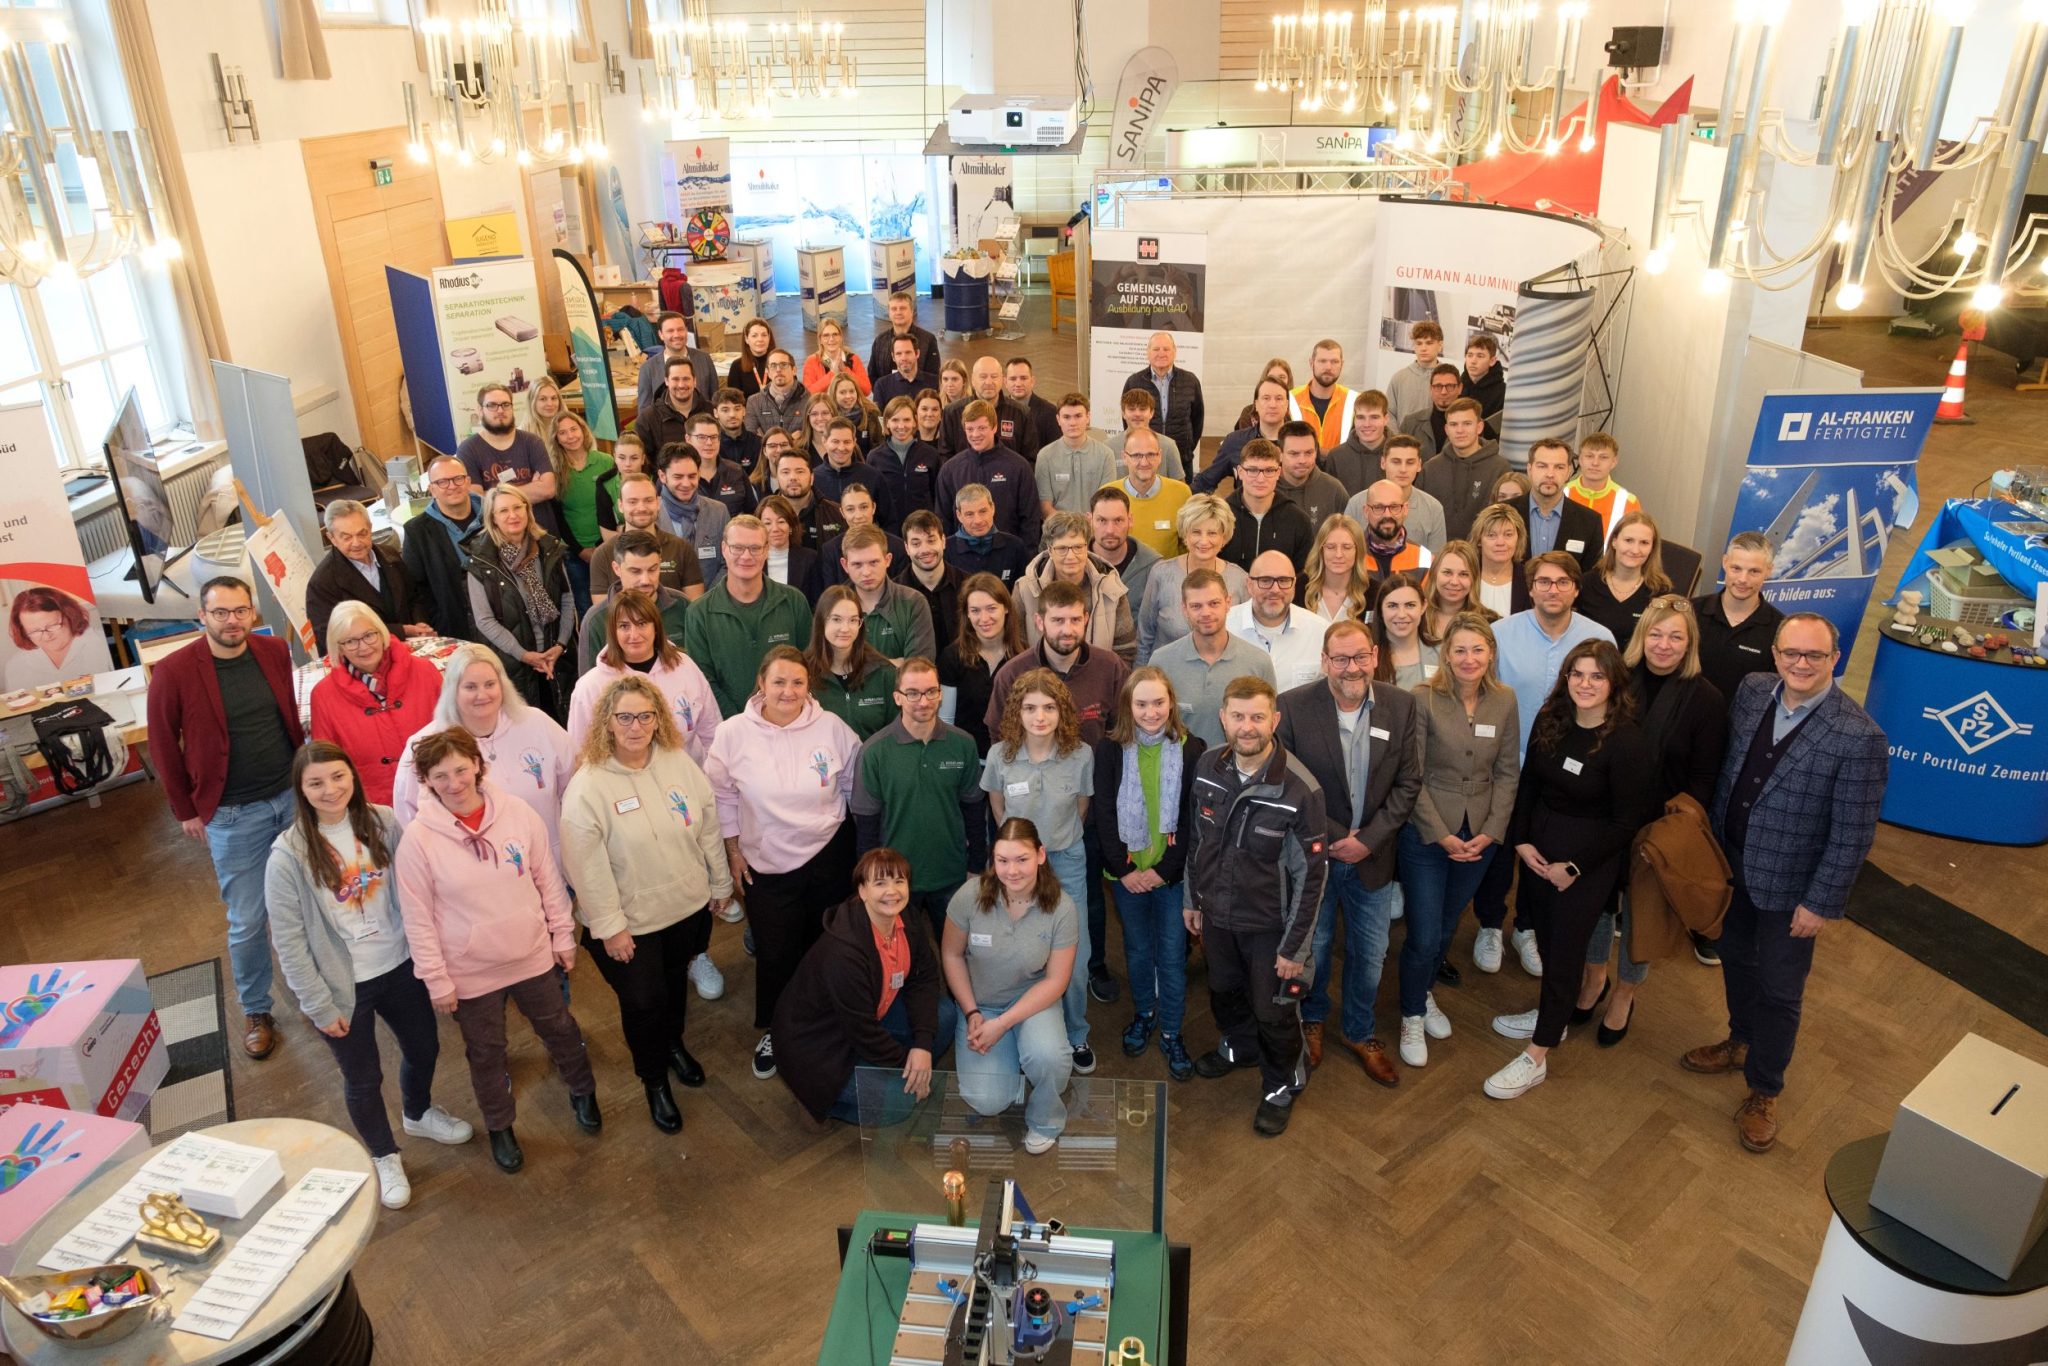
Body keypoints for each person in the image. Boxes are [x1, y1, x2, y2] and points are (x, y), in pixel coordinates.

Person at [1682, 614, 1887, 1153]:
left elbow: (1853, 835)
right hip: (1731, 867)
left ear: (1834, 659)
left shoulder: (1859, 736)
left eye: (1814, 655)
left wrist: (1820, 903)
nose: (1801, 664)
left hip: (1792, 890)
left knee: (1779, 990)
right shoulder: (1752, 692)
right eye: (1791, 652)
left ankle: (1764, 1089)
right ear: (1774, 654)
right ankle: (1740, 1040)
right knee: (1735, 959)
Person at [265, 743, 473, 1209]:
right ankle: (383, 1153)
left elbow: (417, 891)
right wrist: (318, 1006)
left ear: (353, 777)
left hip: (399, 966)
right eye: (316, 783)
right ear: (301, 790)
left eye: (338, 776)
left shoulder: (383, 822)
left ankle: (417, 1112)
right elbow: (289, 941)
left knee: (424, 1047)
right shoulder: (287, 856)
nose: (330, 789)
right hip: (343, 986)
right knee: (362, 1077)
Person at [393, 728, 598, 1174]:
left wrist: (563, 935)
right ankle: (500, 1126)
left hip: (531, 953)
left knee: (560, 1028)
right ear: (425, 781)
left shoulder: (518, 814)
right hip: (469, 971)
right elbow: (418, 918)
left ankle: (583, 1091)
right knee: (486, 1052)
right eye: (440, 776)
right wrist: (436, 979)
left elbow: (548, 880)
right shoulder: (418, 841)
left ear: (477, 765)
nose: (454, 783)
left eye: (460, 770)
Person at [1477, 639, 1655, 1100]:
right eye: (1578, 674)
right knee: (1546, 940)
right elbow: (1530, 785)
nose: (1585, 684)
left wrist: (1573, 868)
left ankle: (1538, 1054)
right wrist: (1522, 841)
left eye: (1597, 676)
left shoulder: (1627, 741)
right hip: (1538, 852)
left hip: (1586, 864)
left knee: (1564, 955)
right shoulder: (1551, 719)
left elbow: (1625, 823)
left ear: (1614, 683)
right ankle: (1550, 1019)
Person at [560, 675, 732, 1133]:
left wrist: (720, 881)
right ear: (607, 723)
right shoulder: (588, 787)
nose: (635, 726)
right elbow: (586, 868)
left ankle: (673, 1044)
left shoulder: (678, 762)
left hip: (686, 907)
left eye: (645, 716)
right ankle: (654, 1080)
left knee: (673, 986)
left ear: (658, 720)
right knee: (643, 1002)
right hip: (630, 925)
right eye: (624, 717)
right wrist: (609, 927)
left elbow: (708, 823)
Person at [147, 577, 304, 1059]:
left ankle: (316, 989)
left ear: (252, 613)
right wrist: (186, 810)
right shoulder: (174, 671)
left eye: (240, 611)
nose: (232, 621)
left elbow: (287, 717)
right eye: (221, 612)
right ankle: (256, 1009)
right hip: (233, 814)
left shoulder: (274, 651)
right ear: (202, 616)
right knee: (248, 918)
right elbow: (162, 745)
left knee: (308, 901)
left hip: (290, 798)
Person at [705, 646, 860, 1080]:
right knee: (776, 953)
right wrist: (733, 851)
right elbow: (721, 795)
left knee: (824, 947)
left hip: (829, 855)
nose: (788, 691)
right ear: (761, 683)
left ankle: (822, 1021)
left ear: (809, 686)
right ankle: (779, 1029)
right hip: (766, 861)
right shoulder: (733, 733)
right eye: (778, 681)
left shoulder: (833, 728)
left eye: (797, 682)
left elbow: (853, 786)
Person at [1278, 620, 1422, 1085]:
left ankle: (1359, 1031)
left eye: (1360, 656)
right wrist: (1340, 837)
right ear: (1324, 661)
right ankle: (1313, 1018)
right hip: (1315, 857)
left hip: (1373, 857)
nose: (1351, 667)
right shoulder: (1292, 708)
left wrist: (1368, 840)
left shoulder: (1401, 706)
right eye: (1340, 658)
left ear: (1375, 656)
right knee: (1315, 948)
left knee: (1372, 952)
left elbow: (1409, 783)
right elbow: (1290, 786)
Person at [1184, 675, 1328, 1137]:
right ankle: (1241, 1046)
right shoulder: (1208, 765)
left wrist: (1295, 948)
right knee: (1223, 992)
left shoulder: (1300, 789)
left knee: (1274, 1012)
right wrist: (1193, 899)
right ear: (1223, 718)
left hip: (1270, 926)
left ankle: (1281, 1084)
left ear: (1275, 720)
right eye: (1238, 716)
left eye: (1257, 717)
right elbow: (1198, 840)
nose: (1247, 727)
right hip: (1217, 916)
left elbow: (1312, 877)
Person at [1580, 597, 1731, 1039]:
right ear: (1642, 636)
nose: (1664, 645)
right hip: (1606, 815)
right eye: (1656, 634)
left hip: (1658, 828)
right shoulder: (1617, 681)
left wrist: (1673, 830)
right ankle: (1594, 978)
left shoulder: (1706, 699)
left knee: (1642, 914)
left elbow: (1704, 778)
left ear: (1690, 643)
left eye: (1675, 637)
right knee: (1597, 903)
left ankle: (1625, 993)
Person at [1472, 552, 1617, 980]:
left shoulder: (1599, 637)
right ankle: (1490, 925)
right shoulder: (1501, 633)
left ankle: (1527, 928)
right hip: (1507, 763)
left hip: (1567, 772)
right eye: (1543, 582)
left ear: (1576, 588)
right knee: (1500, 851)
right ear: (1530, 588)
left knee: (1545, 851)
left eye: (1562, 582)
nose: (1552, 590)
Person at [1396, 614, 1519, 1069]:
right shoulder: (1422, 698)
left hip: (1481, 836)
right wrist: (1442, 835)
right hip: (1428, 835)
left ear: (1491, 653)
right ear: (1446, 654)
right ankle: (1411, 1013)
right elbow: (1411, 774)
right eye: (1460, 649)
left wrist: (1491, 832)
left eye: (1478, 649)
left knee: (1448, 926)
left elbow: (1508, 772)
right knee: (1425, 933)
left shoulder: (1504, 700)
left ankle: (1424, 992)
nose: (1469, 659)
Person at [772, 848, 951, 1124]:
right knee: (899, 1103)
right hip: (821, 1044)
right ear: (862, 891)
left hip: (873, 1013)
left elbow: (924, 977)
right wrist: (910, 1063)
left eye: (899, 881)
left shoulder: (908, 917)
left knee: (946, 1015)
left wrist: (923, 1048)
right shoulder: (844, 953)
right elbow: (862, 1031)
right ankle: (818, 1102)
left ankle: (904, 1076)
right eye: (880, 883)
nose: (892, 891)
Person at [980, 669, 1098, 1066]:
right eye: (1030, 708)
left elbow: (1081, 808)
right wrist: (1017, 856)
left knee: (1075, 959)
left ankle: (1076, 1032)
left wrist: (1053, 844)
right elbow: (998, 808)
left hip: (1066, 860)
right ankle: (1022, 1024)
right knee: (1020, 948)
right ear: (1017, 711)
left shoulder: (1081, 755)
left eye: (1049, 707)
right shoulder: (1000, 756)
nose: (1040, 717)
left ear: (1062, 711)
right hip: (1017, 866)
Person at [942, 818, 1079, 1151]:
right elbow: (951, 955)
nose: (1012, 871)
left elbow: (1057, 980)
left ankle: (1046, 1116)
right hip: (980, 1006)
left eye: (1022, 859)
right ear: (993, 859)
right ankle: (1013, 1065)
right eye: (1003, 860)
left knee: (1049, 1058)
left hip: (1033, 1003)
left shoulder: (1062, 907)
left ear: (1041, 855)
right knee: (988, 1100)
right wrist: (972, 1012)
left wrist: (1003, 1024)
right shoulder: (969, 896)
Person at [1094, 668, 1204, 1080]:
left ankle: (1172, 1031)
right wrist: (1125, 870)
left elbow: (1193, 820)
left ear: (1171, 703)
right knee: (1138, 951)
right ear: (1128, 706)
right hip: (1126, 876)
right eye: (1141, 704)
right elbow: (1103, 814)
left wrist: (1163, 870)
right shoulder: (1110, 750)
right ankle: (1144, 1013)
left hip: (1171, 876)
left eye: (1159, 702)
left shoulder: (1193, 749)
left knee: (1172, 957)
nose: (1151, 711)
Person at [391, 644, 575, 864]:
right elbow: (408, 820)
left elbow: (575, 785)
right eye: (470, 687)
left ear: (503, 685)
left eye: (490, 684)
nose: (482, 695)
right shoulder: (425, 745)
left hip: (551, 862)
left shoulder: (537, 722)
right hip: (473, 874)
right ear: (452, 690)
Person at [851, 656, 989, 939]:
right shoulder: (874, 752)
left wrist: (976, 867)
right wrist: (872, 881)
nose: (923, 701)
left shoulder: (963, 744)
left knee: (957, 953)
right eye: (912, 693)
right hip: (895, 882)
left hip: (952, 875)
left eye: (930, 692)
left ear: (940, 694)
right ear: (897, 697)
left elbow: (975, 811)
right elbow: (866, 827)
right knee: (900, 957)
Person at [310, 602, 443, 806]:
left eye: (369, 635)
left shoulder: (425, 672)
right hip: (374, 808)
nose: (364, 647)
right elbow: (326, 766)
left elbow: (454, 733)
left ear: (382, 633)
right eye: (351, 641)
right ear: (339, 648)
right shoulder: (323, 696)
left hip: (438, 794)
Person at [566, 589, 721, 760]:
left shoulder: (685, 667)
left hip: (686, 773)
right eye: (624, 626)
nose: (634, 635)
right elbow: (580, 754)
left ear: (656, 627)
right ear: (613, 632)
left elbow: (712, 733)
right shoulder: (590, 687)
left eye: (642, 624)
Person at [463, 485, 574, 720]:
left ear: (527, 510)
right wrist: (523, 655)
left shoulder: (548, 547)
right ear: (492, 518)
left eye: (517, 507)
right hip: (513, 664)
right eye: (503, 511)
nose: (512, 515)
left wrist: (560, 645)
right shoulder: (481, 561)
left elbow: (566, 599)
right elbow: (484, 620)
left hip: (557, 657)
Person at [683, 516, 814, 717]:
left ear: (766, 550)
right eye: (737, 548)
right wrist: (742, 724)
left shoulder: (794, 602)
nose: (746, 556)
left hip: (788, 721)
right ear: (724, 549)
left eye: (755, 548)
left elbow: (809, 665)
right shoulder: (698, 613)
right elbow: (703, 680)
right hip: (728, 725)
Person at [984, 579, 1130, 745]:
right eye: (1058, 620)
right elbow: (999, 735)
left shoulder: (1111, 667)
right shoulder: (1012, 674)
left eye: (1075, 620)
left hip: (1094, 762)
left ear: (1086, 619)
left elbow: (1122, 730)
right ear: (1040, 622)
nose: (1067, 630)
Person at [1149, 569, 1276, 748]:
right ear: (1184, 609)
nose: (1206, 613)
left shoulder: (1258, 662)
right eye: (1196, 606)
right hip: (1179, 764)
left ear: (1228, 603)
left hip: (1238, 764)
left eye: (1214, 603)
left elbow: (1268, 728)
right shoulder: (1162, 662)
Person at [1011, 512, 1136, 665]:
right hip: (1039, 678)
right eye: (1062, 548)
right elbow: (1016, 647)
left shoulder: (1111, 588)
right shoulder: (1025, 590)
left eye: (1077, 547)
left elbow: (1125, 650)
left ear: (1087, 547)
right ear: (1050, 550)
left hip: (1098, 677)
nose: (1071, 556)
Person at [305, 500, 428, 654]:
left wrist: (420, 623)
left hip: (411, 651)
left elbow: (414, 597)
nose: (356, 543)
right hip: (363, 660)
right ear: (332, 538)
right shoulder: (322, 583)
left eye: (362, 534)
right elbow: (331, 637)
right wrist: (402, 631)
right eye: (347, 537)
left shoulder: (390, 555)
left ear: (370, 528)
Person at [1135, 494, 1246, 664]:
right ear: (1185, 534)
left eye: (1212, 533)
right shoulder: (1161, 573)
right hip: (1166, 674)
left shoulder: (1239, 579)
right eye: (1196, 532)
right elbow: (1144, 637)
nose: (1204, 541)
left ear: (1224, 537)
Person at [578, 529, 691, 675]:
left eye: (652, 569)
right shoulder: (596, 620)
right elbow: (589, 682)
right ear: (617, 569)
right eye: (635, 571)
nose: (645, 580)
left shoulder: (682, 606)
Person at [458, 382, 563, 537]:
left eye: (505, 404)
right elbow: (476, 501)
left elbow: (548, 489)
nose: (500, 410)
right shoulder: (468, 449)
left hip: (541, 534)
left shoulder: (532, 442)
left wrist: (493, 496)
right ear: (480, 410)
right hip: (498, 539)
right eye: (492, 405)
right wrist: (533, 487)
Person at [1692, 531, 1784, 702]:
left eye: (1754, 571)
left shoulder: (1780, 629)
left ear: (1769, 571)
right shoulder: (1690, 612)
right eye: (1736, 568)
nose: (1743, 579)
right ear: (1725, 562)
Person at [940, 573, 1022, 757]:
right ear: (967, 614)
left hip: (1013, 760)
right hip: (968, 760)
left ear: (1006, 608)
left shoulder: (1023, 659)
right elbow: (946, 721)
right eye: (975, 610)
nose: (984, 618)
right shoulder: (951, 657)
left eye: (991, 608)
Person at [402, 457, 484, 642]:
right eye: (442, 482)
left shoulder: (494, 515)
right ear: (432, 490)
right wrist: (433, 624)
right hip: (455, 628)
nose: (452, 486)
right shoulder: (416, 531)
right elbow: (414, 589)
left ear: (468, 481)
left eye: (458, 478)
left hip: (504, 622)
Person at [935, 401, 1039, 545]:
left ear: (994, 427)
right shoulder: (950, 470)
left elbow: (1030, 518)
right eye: (970, 429)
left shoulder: (1019, 467)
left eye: (982, 428)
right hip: (962, 553)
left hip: (1007, 552)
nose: (975, 434)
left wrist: (1026, 554)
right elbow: (943, 519)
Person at [588, 473, 703, 604]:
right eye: (633, 501)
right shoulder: (603, 554)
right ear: (620, 505)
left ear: (658, 502)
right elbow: (603, 611)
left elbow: (694, 606)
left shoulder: (681, 548)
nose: (641, 508)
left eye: (648, 500)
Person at [805, 584, 901, 739]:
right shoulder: (803, 673)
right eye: (836, 619)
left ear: (860, 624)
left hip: (872, 755)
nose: (845, 628)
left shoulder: (883, 673)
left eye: (853, 620)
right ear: (821, 621)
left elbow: (897, 732)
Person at [546, 410, 615, 617]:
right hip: (575, 553)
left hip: (608, 546)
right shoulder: (555, 471)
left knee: (616, 603)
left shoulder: (606, 461)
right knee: (587, 609)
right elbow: (558, 517)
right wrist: (580, 550)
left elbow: (614, 506)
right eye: (563, 433)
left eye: (573, 429)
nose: (570, 436)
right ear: (556, 439)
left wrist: (602, 545)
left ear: (583, 430)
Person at [1226, 549, 1324, 691]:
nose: (1275, 589)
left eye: (1283, 581)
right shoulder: (1225, 626)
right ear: (1249, 585)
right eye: (1265, 581)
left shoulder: (1320, 632)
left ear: (1294, 585)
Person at [1415, 398, 1508, 540]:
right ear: (1446, 429)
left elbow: (1507, 518)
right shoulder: (1430, 469)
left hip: (1484, 550)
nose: (1460, 430)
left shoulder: (1500, 468)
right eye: (1453, 424)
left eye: (1467, 423)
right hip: (1439, 550)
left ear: (1479, 427)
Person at [1220, 440, 1315, 579]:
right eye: (1252, 470)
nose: (1260, 479)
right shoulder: (1220, 517)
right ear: (1240, 472)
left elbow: (1303, 577)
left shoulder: (1298, 521)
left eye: (1269, 470)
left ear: (1278, 473)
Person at [1577, 511, 1671, 644]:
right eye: (1628, 540)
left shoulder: (1661, 592)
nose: (1635, 550)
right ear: (1614, 541)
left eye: (1644, 543)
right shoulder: (1585, 584)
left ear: (1652, 548)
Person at [1515, 439, 1604, 573]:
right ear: (1529, 470)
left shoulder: (1590, 522)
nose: (1550, 474)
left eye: (1559, 467)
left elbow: (1591, 577)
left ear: (1569, 472)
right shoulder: (1506, 512)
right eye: (1542, 466)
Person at [654, 433, 732, 584]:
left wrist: (709, 597)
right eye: (678, 477)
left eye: (691, 476)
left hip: (711, 595)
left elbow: (728, 562)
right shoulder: (651, 515)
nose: (686, 484)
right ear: (662, 476)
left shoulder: (719, 512)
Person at [1350, 435, 1446, 557]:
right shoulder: (1356, 504)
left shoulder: (1433, 508)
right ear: (1383, 463)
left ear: (1419, 465)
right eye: (1396, 462)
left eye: (1410, 462)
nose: (1403, 469)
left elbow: (1436, 562)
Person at [1109, 428, 1191, 561]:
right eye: (1136, 455)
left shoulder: (1182, 493)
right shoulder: (1108, 495)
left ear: (1160, 456)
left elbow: (1188, 545)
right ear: (1124, 457)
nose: (1144, 462)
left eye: (1151, 455)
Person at [1198, 375, 1289, 495]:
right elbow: (1206, 481)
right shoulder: (1235, 441)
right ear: (1256, 404)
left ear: (1287, 404)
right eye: (1266, 398)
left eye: (1279, 398)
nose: (1272, 404)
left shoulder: (1300, 443)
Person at [1124, 331, 1205, 458]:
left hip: (1181, 457)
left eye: (1166, 349)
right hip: (1145, 457)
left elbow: (1198, 419)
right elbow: (1128, 420)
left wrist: (1188, 447)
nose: (1161, 353)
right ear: (1148, 352)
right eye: (1156, 349)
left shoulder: (1190, 381)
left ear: (1174, 352)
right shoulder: (1134, 382)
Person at [1035, 392, 1118, 517]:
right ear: (1058, 419)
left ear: (1088, 417)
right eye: (1066, 417)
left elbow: (1108, 502)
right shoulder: (1045, 456)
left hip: (1095, 526)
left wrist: (1092, 522)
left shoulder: (1106, 455)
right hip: (1058, 527)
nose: (1072, 422)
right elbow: (1044, 506)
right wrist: (1070, 525)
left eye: (1078, 416)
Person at [870, 397, 943, 529]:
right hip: (888, 531)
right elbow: (872, 499)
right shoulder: (875, 457)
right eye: (895, 420)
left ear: (915, 421)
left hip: (923, 530)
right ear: (887, 422)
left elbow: (937, 496)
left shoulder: (930, 455)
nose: (901, 426)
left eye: (906, 420)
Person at [894, 510, 963, 649]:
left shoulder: (968, 585)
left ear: (943, 541)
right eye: (916, 543)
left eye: (931, 541)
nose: (925, 550)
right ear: (906, 548)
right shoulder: (893, 593)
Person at [942, 357, 1035, 456]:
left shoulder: (1022, 413)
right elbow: (945, 454)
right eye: (983, 377)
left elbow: (1030, 457)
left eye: (994, 377)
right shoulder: (952, 412)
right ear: (973, 380)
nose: (989, 382)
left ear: (1002, 380)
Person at [945, 482, 1032, 588]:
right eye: (969, 514)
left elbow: (1025, 591)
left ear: (993, 508)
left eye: (983, 511)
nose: (978, 521)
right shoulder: (945, 550)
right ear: (959, 515)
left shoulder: (1015, 547)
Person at [1090, 486, 1159, 615]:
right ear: (1090, 520)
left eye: (1118, 520)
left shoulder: (1153, 567)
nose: (1110, 530)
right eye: (1102, 520)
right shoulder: (1075, 563)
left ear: (1130, 520)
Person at [5, 587, 93, 689]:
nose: (47, 636)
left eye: (52, 625)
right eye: (35, 631)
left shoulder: (99, 644)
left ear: (70, 616)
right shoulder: (15, 666)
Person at [1565, 431, 1640, 546]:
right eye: (1589, 456)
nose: (1595, 463)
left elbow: (1634, 544)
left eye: (1603, 457)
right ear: (1580, 460)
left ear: (1614, 462)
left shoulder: (1629, 502)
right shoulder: (1561, 494)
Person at [634, 311, 717, 415]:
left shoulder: (704, 359)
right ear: (661, 334)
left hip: (701, 422)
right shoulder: (648, 368)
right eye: (670, 331)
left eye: (680, 329)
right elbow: (644, 410)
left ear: (686, 331)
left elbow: (715, 399)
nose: (676, 335)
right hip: (664, 424)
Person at [1273, 421, 1350, 530]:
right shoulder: (1266, 488)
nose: (1302, 460)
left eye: (1309, 453)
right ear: (1279, 454)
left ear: (1316, 452)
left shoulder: (1334, 490)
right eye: (1294, 454)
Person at [1287, 338, 1357, 451]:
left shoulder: (1355, 400)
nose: (1328, 367)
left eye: (1334, 362)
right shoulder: (1290, 399)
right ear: (1311, 363)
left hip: (1342, 463)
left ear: (1342, 365)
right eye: (1322, 361)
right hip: (1301, 462)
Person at [1355, 480, 1434, 581]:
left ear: (1405, 509)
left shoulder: (1424, 558)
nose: (1387, 515)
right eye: (1379, 507)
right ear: (1366, 511)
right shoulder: (1351, 553)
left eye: (1394, 507)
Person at [1371, 573, 1438, 687]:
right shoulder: (1366, 656)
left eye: (1410, 605)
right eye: (1392, 606)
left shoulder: (1443, 652)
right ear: (1380, 609)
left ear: (1423, 606)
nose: (1401, 614)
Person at [772, 448, 846, 551]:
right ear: (777, 478)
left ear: (812, 478)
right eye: (785, 472)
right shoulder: (763, 515)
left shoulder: (836, 513)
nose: (793, 477)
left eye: (800, 472)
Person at [1303, 514, 1373, 624]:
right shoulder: (1297, 589)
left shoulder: (1374, 593)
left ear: (1358, 551)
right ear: (1320, 550)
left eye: (1346, 547)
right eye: (1331, 547)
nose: (1338, 554)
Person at [1325, 389, 1393, 498]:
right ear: (1354, 419)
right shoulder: (1336, 457)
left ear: (1386, 419)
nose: (1367, 424)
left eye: (1374, 417)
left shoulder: (1400, 454)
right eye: (1361, 417)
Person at [1113, 387, 1188, 481]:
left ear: (1151, 413)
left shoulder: (1168, 446)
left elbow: (1179, 485)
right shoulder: (1109, 447)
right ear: (1123, 413)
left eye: (1142, 409)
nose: (1137, 414)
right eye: (1131, 409)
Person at [1471, 503, 1532, 619]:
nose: (1500, 542)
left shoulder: (1529, 579)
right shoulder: (1465, 575)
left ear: (1518, 538)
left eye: (1508, 535)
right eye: (1491, 535)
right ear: (1479, 540)